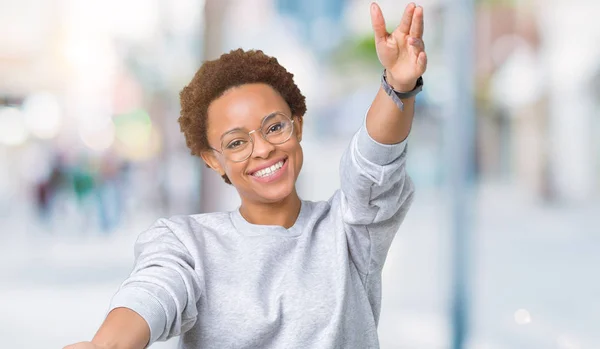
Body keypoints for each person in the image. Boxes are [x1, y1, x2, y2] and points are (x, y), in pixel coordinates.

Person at [64, 2, 427, 348]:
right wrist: (105, 345)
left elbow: (373, 166)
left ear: (297, 126)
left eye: (274, 128)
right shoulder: (187, 243)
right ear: (213, 160)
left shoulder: (349, 231)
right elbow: (153, 290)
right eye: (236, 143)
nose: (262, 149)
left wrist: (398, 87)